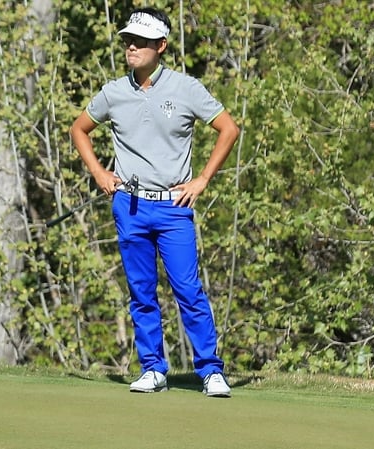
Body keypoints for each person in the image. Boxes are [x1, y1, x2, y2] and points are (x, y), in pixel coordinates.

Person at [70, 7, 240, 397]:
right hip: (129, 205)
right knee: (141, 292)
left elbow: (228, 129)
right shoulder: (113, 92)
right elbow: (79, 129)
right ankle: (153, 368)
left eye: (141, 42)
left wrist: (202, 179)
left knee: (188, 290)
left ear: (160, 46)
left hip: (173, 207)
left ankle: (210, 370)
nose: (132, 46)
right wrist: (99, 172)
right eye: (128, 40)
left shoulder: (185, 88)